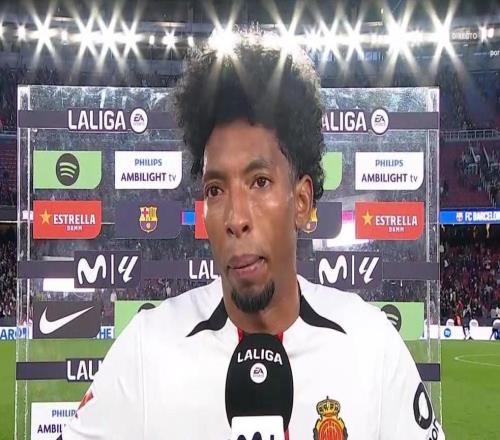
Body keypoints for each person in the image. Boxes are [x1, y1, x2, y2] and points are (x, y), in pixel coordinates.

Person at [62, 35, 444, 439]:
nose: (236, 218)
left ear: (301, 201)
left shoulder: (372, 346)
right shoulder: (145, 350)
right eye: (215, 190)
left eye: (259, 182)